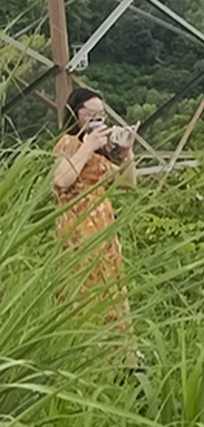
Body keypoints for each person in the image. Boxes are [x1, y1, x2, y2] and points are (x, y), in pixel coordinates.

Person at [51, 87, 138, 333]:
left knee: (110, 291)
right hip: (78, 234)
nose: (98, 121)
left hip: (104, 235)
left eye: (102, 115)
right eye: (92, 115)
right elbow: (61, 179)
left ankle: (120, 357)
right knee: (83, 291)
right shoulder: (69, 144)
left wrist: (126, 151)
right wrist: (87, 146)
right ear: (75, 114)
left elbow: (128, 183)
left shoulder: (99, 155)